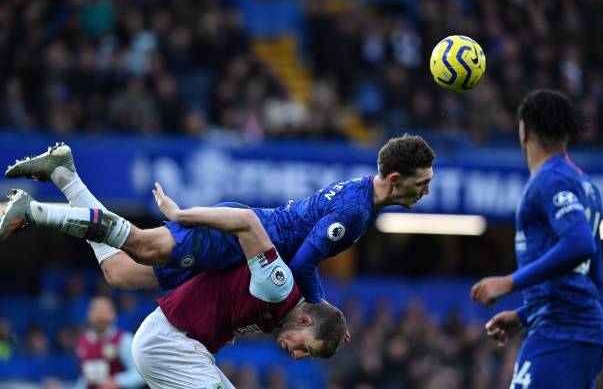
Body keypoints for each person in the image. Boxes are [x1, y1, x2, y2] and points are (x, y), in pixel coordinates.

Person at [1, 134, 435, 304]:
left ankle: (62, 172)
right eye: (423, 182)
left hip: (239, 247)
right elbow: (302, 261)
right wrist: (317, 306)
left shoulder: (360, 188)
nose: (426, 190)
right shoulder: (356, 212)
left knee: (120, 272)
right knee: (143, 244)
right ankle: (34, 210)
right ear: (396, 179)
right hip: (235, 240)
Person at [129, 185, 346, 388]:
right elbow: (247, 221)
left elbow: (312, 303)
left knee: (119, 270)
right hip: (169, 342)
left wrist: (334, 323)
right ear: (305, 320)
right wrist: (179, 214)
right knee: (127, 262)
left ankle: (94, 216)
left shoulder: (282, 308)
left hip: (179, 345)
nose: (297, 356)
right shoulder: (279, 288)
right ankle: (94, 218)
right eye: (306, 349)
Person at [470, 89, 603, 388]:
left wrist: (510, 281)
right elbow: (593, 275)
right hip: (580, 328)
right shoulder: (586, 185)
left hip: (562, 330)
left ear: (524, 132)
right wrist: (525, 314)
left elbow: (580, 244)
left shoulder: (549, 179)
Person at [75, 296, 144, 389]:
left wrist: (117, 381)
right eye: (97, 311)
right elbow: (83, 378)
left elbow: (140, 373)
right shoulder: (82, 342)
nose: (100, 316)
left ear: (114, 315)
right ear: (89, 315)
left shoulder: (124, 340)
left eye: (104, 311)